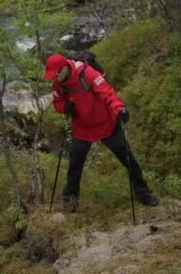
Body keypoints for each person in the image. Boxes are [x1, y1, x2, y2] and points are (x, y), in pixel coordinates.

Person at [43, 53, 158, 210]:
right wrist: (64, 107)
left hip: (106, 124)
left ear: (65, 67)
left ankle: (144, 194)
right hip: (82, 128)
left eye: (56, 74)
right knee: (75, 166)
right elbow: (57, 102)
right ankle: (70, 200)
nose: (55, 79)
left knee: (128, 159)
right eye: (52, 76)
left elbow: (107, 92)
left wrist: (120, 109)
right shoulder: (58, 84)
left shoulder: (87, 73)